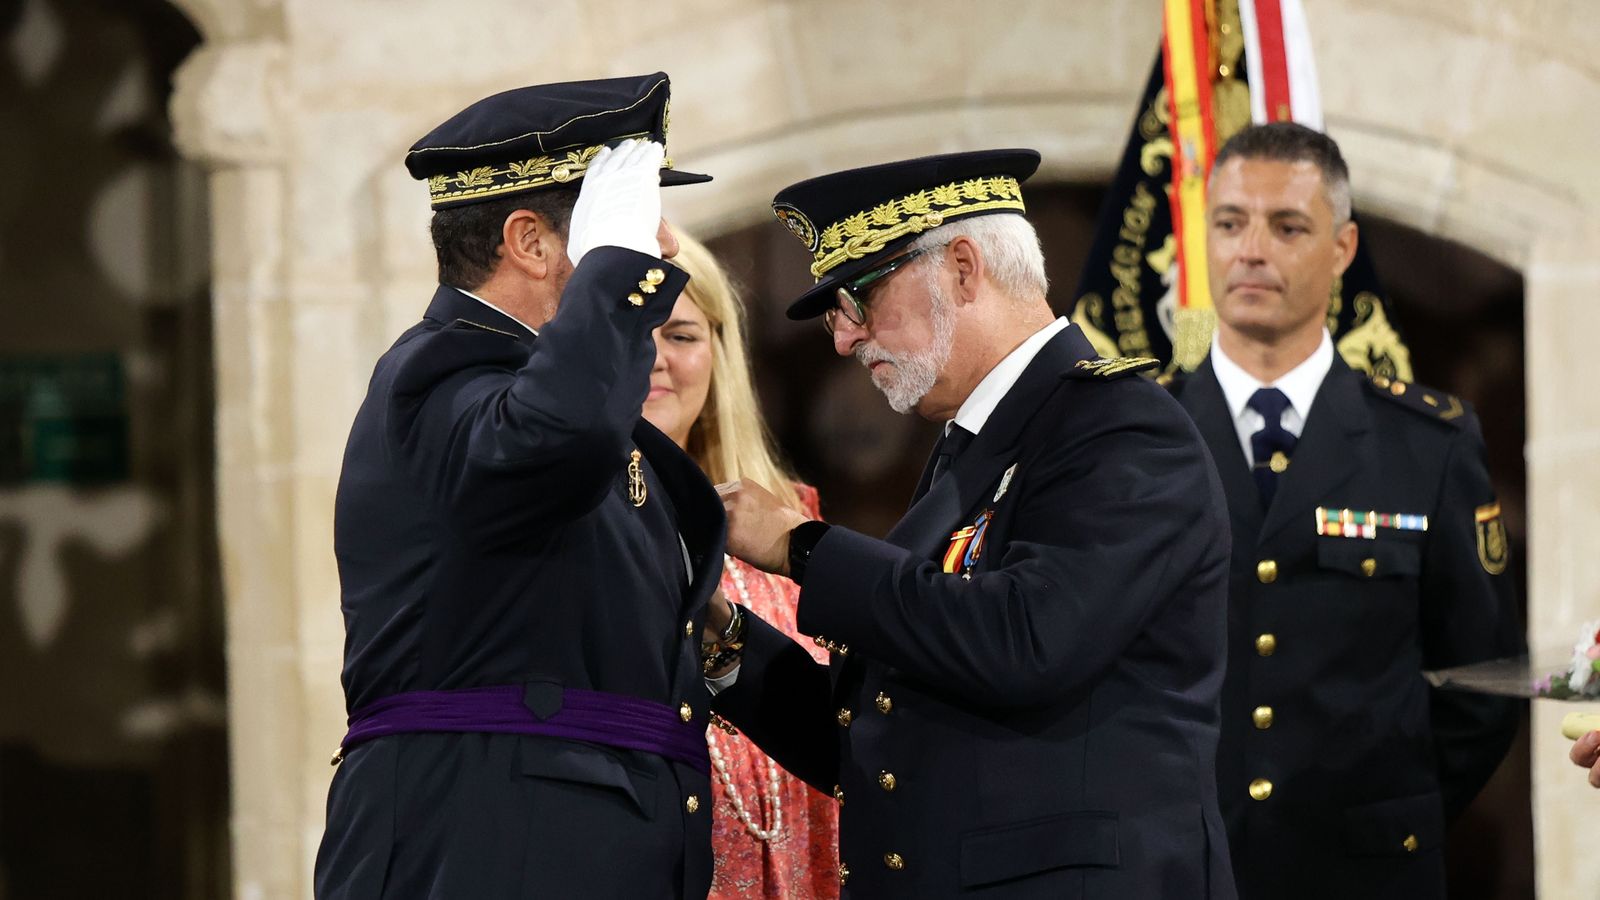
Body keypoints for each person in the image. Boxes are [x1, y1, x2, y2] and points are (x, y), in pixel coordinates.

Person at [705, 150, 1237, 898]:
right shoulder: (976, 445)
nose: (844, 340)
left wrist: (801, 546)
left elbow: (1028, 638)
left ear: (961, 269)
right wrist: (721, 639)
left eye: (859, 298)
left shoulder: (1123, 430)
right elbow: (881, 726)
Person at [314, 73, 730, 899]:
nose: (668, 247)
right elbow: (559, 438)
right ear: (532, 243)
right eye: (633, 222)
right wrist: (617, 277)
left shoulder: (557, 391)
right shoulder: (439, 375)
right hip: (483, 847)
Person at [1163, 121, 1524, 899]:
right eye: (1229, 223)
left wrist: (1386, 814)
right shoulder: (1135, 438)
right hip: (1180, 868)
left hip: (1367, 873)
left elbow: (1481, 685)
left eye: (1288, 226)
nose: (1251, 249)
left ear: (1343, 247)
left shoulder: (1429, 443)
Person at [641, 232, 841, 899]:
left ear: (720, 354)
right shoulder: (568, 532)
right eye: (633, 331)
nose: (656, 359)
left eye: (682, 335)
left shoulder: (795, 524)